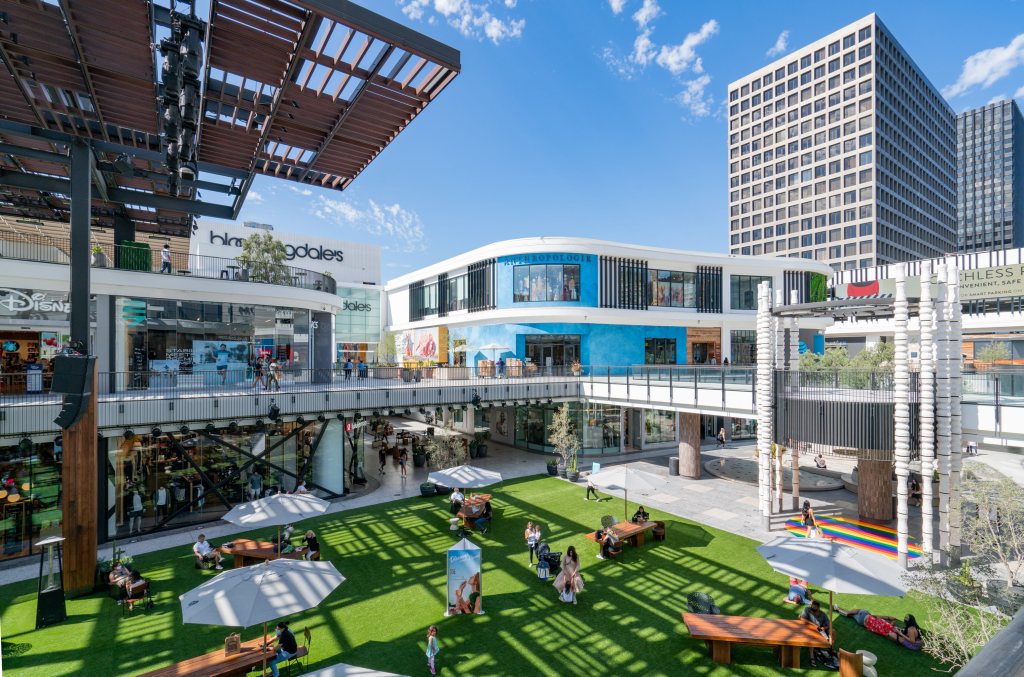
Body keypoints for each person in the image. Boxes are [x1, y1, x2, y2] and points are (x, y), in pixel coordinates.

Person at [835, 607, 921, 649]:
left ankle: (842, 611)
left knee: (854, 612)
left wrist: (882, 618)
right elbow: (893, 619)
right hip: (866, 619)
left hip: (865, 618)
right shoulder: (889, 628)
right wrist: (883, 618)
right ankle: (841, 610)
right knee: (853, 613)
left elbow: (893, 619)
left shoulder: (888, 630)